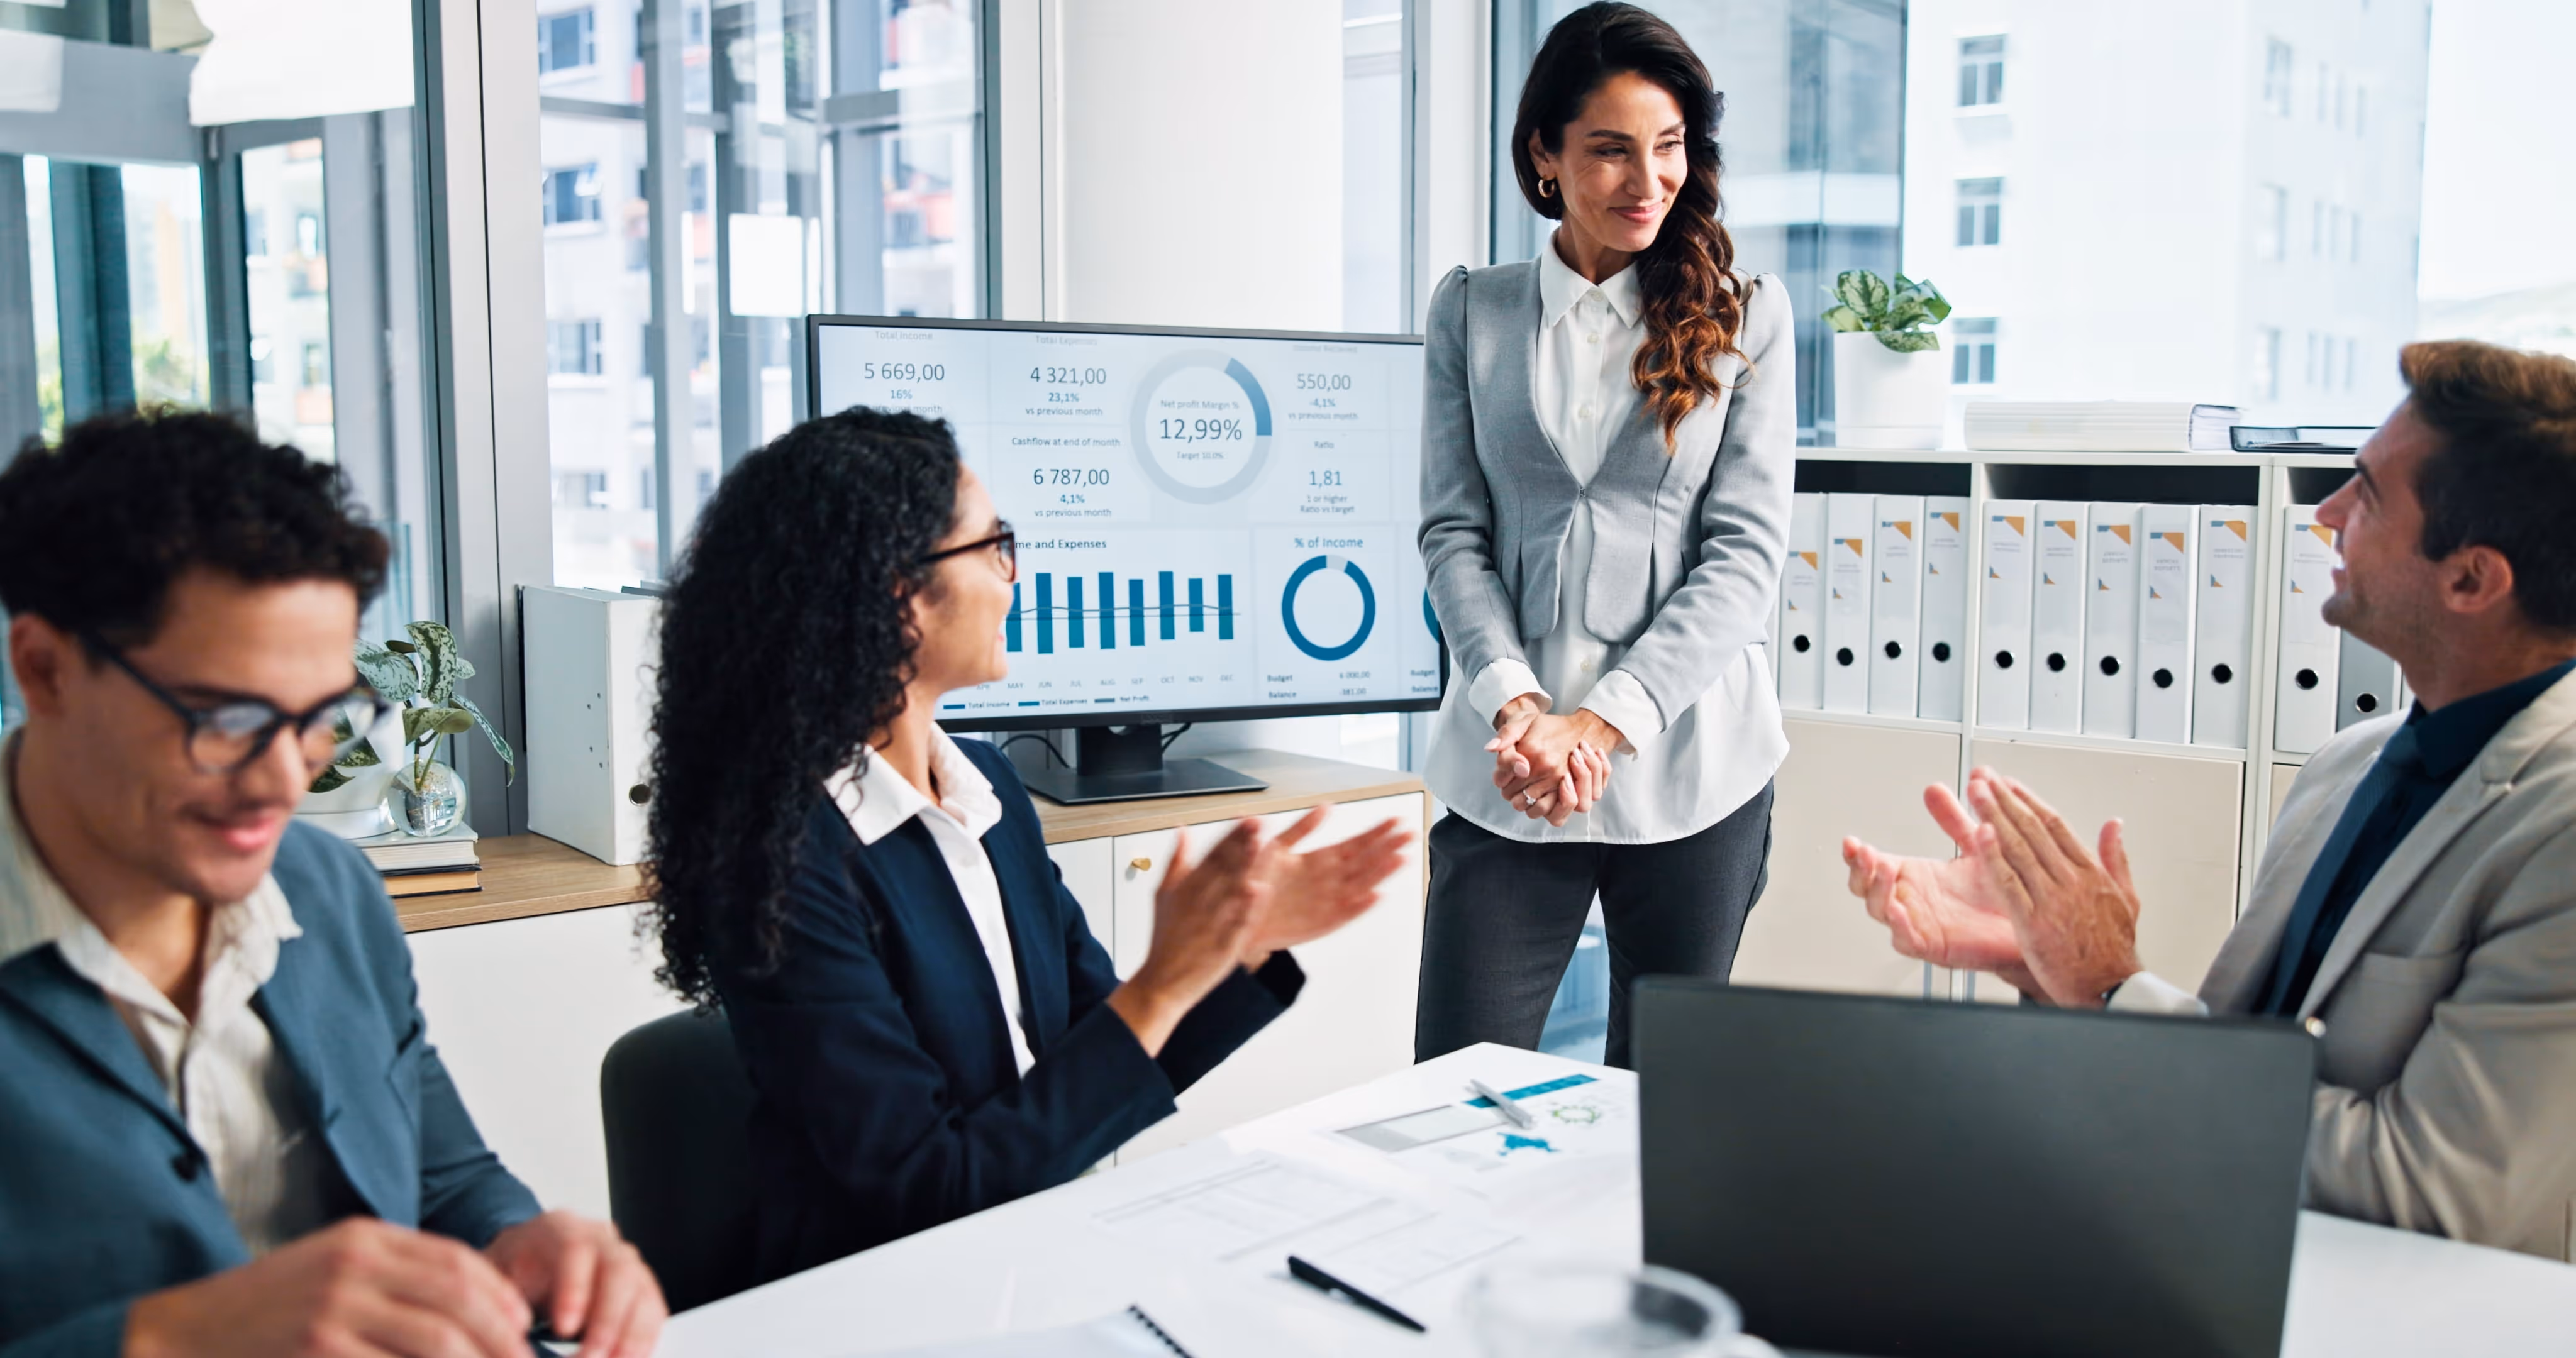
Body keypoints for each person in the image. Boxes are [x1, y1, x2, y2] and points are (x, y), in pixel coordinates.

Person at [1843, 341, 2576, 1261]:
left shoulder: (2561, 832)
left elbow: (2427, 1188)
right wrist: (2047, 967)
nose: (2325, 511)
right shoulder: (2346, 765)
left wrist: (2111, 984)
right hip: (2211, 1253)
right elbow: (2243, 1066)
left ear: (2471, 579)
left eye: (2369, 495)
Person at [643, 407, 1411, 1284]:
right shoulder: (783, 860)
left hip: (1023, 1258)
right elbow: (929, 1191)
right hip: (873, 1302)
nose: (1015, 579)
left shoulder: (988, 787)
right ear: (899, 596)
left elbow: (1100, 1051)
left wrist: (1240, 945)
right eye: (994, 547)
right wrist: (1163, 983)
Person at [0, 411, 664, 1356]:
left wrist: (521, 1244)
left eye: (325, 716)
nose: (285, 778)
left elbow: (444, 1184)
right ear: (45, 670)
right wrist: (174, 1338)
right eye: (228, 717)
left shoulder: (327, 891)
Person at [1415, 1, 1794, 1069]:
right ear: (1545, 152)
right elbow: (1453, 533)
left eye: (1668, 148)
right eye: (1611, 151)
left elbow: (1744, 559)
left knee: (1658, 1108)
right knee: (1454, 1091)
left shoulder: (1747, 314)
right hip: (1508, 761)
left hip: (1692, 763)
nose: (1647, 182)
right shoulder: (1472, 312)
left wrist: (1602, 726)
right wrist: (1522, 705)